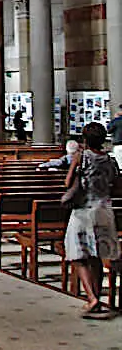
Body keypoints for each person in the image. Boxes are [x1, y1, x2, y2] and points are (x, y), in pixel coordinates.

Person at [64, 121, 121, 317]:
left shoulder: (82, 157)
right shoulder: (110, 160)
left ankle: (92, 298)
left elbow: (68, 182)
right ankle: (96, 296)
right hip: (104, 210)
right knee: (96, 254)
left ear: (85, 140)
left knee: (78, 255)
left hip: (84, 211)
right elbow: (117, 185)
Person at [109, 105, 122, 169]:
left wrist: (114, 119)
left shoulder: (116, 121)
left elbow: (109, 130)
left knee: (120, 165)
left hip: (118, 145)